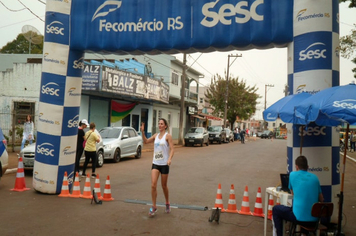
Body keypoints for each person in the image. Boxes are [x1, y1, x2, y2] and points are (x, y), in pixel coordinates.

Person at [272, 156, 324, 236]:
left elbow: (292, 193)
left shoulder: (292, 175)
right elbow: (321, 199)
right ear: (308, 167)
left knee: (276, 209)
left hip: (298, 218)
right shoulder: (315, 178)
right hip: (314, 220)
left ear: (296, 167)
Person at [140, 118, 174, 216]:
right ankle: (154, 206)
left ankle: (167, 202)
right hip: (155, 163)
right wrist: (142, 132)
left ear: (165, 126)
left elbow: (172, 149)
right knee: (153, 185)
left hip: (164, 164)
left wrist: (170, 159)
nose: (159, 125)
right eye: (159, 124)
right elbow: (146, 141)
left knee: (164, 186)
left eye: (161, 124)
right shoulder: (155, 135)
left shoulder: (168, 136)